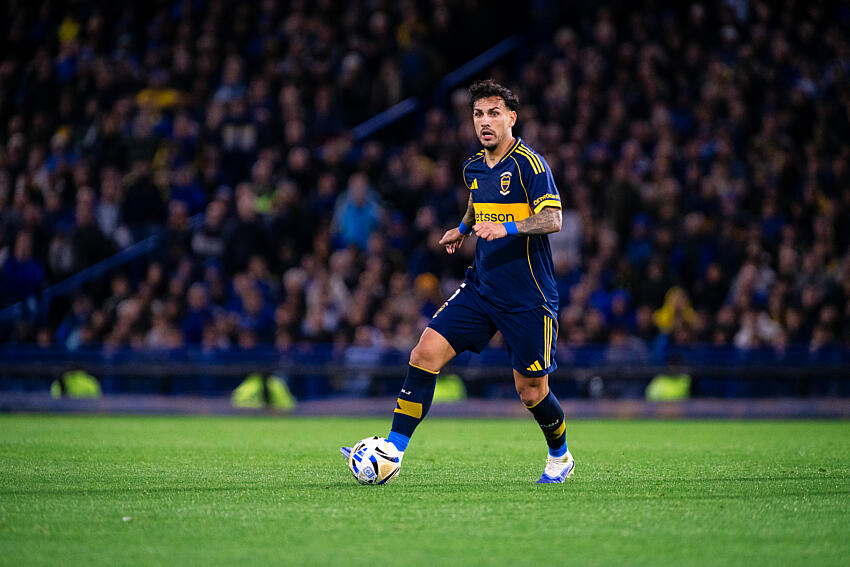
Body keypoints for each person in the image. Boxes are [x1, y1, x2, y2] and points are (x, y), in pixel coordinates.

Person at [342, 79, 573, 483]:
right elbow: (477, 201)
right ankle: (393, 451)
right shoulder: (473, 167)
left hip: (527, 297)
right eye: (478, 114)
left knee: (532, 391)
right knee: (423, 354)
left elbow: (553, 219)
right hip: (481, 287)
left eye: (494, 113)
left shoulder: (531, 166)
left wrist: (510, 228)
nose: (485, 122)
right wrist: (463, 228)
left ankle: (560, 456)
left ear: (511, 119)